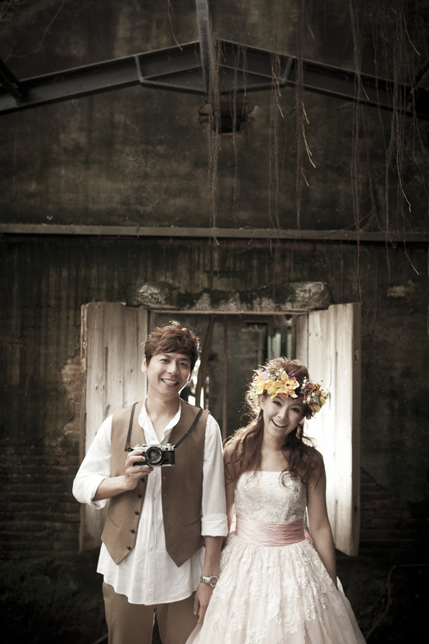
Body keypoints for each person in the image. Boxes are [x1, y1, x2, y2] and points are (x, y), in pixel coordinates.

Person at [186, 357, 366, 644]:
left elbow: (320, 526)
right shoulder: (235, 452)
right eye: (277, 403)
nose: (283, 416)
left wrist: (330, 585)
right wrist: (209, 578)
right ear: (262, 400)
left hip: (296, 562)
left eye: (294, 409)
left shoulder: (310, 460)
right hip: (242, 562)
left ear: (303, 414)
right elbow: (221, 517)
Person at [73, 321, 228, 644]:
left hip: (184, 572)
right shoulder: (117, 422)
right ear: (145, 363)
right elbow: (82, 485)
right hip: (125, 568)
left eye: (183, 363)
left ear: (190, 373)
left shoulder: (206, 426)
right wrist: (123, 482)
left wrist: (208, 580)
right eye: (165, 359)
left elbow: (215, 511)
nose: (173, 371)